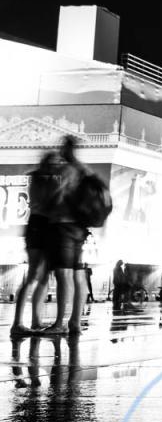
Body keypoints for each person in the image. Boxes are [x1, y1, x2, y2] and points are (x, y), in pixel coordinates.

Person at [42, 137, 98, 337]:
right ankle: (75, 322)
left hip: (64, 226)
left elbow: (57, 197)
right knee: (79, 275)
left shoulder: (67, 171)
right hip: (81, 229)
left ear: (66, 149)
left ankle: (59, 323)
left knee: (63, 274)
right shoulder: (85, 170)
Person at [10, 151, 63, 335]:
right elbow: (49, 204)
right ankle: (18, 323)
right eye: (55, 163)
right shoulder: (43, 180)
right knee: (34, 275)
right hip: (40, 226)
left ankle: (35, 321)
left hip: (40, 226)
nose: (58, 166)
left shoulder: (42, 178)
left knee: (42, 277)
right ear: (48, 164)